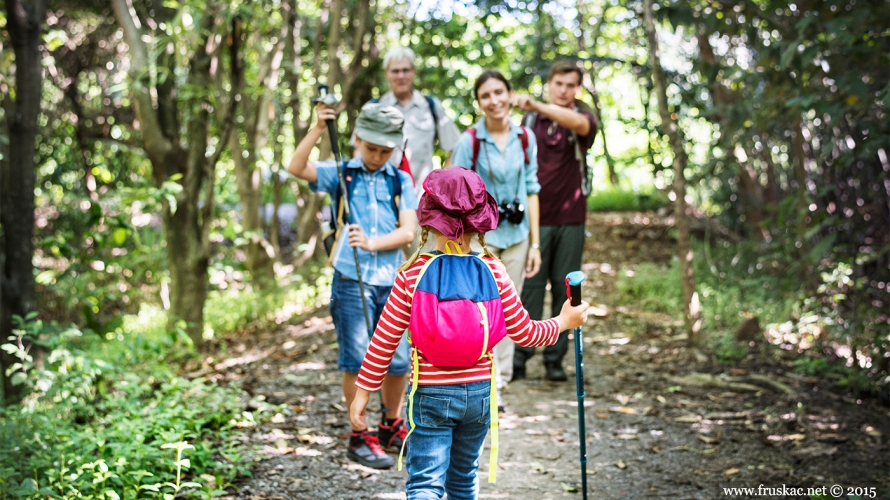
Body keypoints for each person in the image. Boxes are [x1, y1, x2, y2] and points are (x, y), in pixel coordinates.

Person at [349, 167, 590, 500]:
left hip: (431, 396)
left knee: (425, 484)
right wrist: (564, 322)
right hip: (479, 396)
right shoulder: (494, 270)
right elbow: (526, 333)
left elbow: (384, 341)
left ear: (427, 219)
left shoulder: (412, 276)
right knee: (463, 478)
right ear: (480, 222)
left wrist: (362, 393)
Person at [287, 102, 418, 469]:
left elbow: (408, 231)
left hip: (392, 281)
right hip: (351, 279)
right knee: (358, 358)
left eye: (385, 150)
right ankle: (359, 434)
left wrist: (372, 242)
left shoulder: (400, 179)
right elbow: (295, 167)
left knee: (397, 358)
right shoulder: (343, 173)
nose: (378, 156)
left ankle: (391, 423)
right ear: (357, 139)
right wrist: (317, 128)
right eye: (371, 148)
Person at [450, 70, 541, 403]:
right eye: (486, 96)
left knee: (508, 309)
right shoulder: (469, 141)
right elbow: (454, 191)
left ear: (510, 93)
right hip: (479, 239)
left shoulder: (525, 138)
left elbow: (532, 190)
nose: (494, 101)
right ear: (479, 103)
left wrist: (535, 243)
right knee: (478, 309)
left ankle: (498, 384)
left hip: (517, 235)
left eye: (499, 92)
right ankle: (476, 379)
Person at [511, 61, 599, 382]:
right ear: (550, 83)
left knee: (567, 287)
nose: (564, 90)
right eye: (558, 83)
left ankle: (555, 359)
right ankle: (521, 356)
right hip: (535, 217)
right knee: (530, 286)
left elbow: (581, 125)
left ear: (577, 88)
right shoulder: (531, 119)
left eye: (570, 85)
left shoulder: (583, 116)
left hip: (571, 217)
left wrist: (534, 102)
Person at [365, 46, 462, 194]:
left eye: (405, 70)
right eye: (395, 71)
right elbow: (358, 151)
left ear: (413, 71)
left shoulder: (431, 106)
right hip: (381, 195)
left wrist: (441, 183)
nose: (401, 76)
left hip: (421, 198)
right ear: (386, 73)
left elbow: (456, 147)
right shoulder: (373, 108)